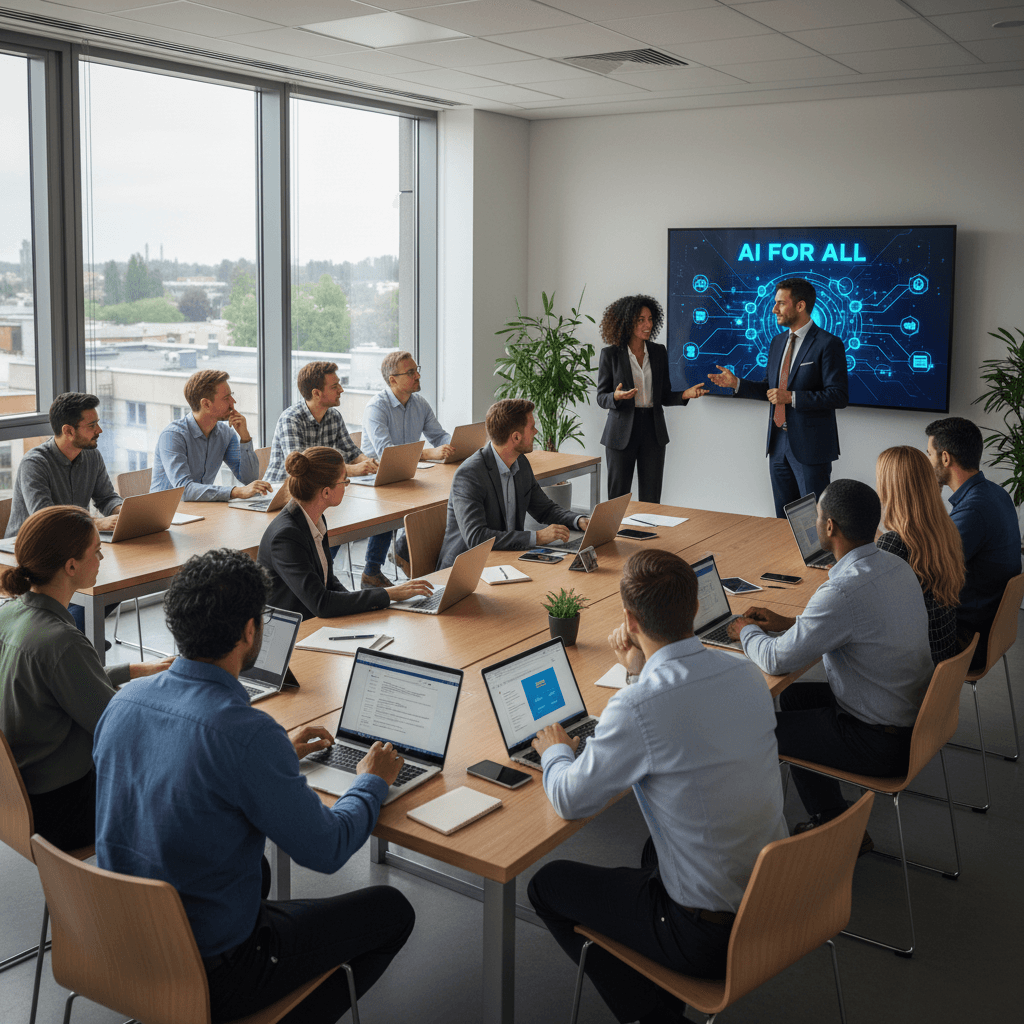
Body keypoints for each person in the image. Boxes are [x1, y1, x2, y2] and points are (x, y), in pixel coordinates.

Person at [92, 549, 415, 1024]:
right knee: (391, 911)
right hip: (212, 970)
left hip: (123, 944)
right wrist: (371, 780)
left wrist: (275, 753)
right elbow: (326, 851)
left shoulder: (124, 701)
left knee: (259, 874)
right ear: (249, 631)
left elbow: (190, 773)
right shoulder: (245, 733)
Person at [528, 549, 786, 1024]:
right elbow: (685, 719)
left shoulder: (637, 706)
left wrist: (554, 751)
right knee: (652, 851)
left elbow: (569, 799)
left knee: (547, 885)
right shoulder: (748, 673)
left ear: (629, 619)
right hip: (775, 899)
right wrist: (639, 671)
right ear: (694, 607)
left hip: (707, 937)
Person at [728, 479, 933, 841]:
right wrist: (791, 624)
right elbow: (859, 625)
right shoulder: (895, 565)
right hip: (911, 721)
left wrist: (746, 630)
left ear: (829, 527)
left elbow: (776, 660)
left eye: (818, 516)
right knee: (791, 699)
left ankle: (834, 835)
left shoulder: (841, 591)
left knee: (758, 728)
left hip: (879, 743)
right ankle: (831, 816)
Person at [0, 506, 168, 851]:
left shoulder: (10, 614)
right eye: (96, 550)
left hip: (15, 798)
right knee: (182, 791)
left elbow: (57, 681)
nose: (102, 556)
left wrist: (137, 670)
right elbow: (120, 730)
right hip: (64, 809)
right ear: (71, 566)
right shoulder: (62, 641)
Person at [708, 278, 848, 518]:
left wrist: (791, 397)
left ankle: (820, 559)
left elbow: (838, 395)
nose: (774, 309)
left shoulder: (828, 344)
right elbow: (769, 390)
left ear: (801, 306)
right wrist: (737, 383)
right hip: (777, 444)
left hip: (810, 448)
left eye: (781, 303)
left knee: (815, 522)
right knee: (782, 520)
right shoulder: (777, 342)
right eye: (775, 303)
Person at [257, 447, 433, 619]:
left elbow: (328, 581)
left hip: (312, 620)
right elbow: (321, 603)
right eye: (344, 481)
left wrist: (361, 605)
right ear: (326, 492)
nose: (347, 485)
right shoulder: (286, 537)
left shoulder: (315, 519)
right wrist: (390, 594)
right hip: (292, 633)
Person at [436, 399, 590, 571]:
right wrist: (536, 537)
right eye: (532, 427)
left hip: (507, 559)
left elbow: (544, 509)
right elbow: (477, 538)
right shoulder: (469, 475)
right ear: (516, 437)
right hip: (466, 569)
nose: (536, 431)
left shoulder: (520, 462)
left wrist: (578, 520)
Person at [925, 416, 1021, 671]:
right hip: (992, 628)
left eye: (929, 454)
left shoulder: (973, 511)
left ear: (945, 458)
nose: (928, 462)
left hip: (969, 638)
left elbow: (929, 570)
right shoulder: (995, 493)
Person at [596, 295, 707, 503]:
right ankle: (615, 535)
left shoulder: (658, 352)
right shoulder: (610, 354)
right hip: (621, 433)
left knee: (651, 497)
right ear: (627, 321)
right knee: (617, 497)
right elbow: (601, 397)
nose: (648, 325)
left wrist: (686, 394)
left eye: (650, 319)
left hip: (652, 431)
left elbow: (664, 394)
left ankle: (649, 535)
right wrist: (616, 397)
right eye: (641, 320)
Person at [359, 350, 453, 587]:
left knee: (444, 497)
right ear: (393, 379)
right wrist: (428, 453)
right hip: (375, 479)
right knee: (394, 504)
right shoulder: (376, 408)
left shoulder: (419, 403)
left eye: (416, 369)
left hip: (409, 475)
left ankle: (414, 557)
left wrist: (455, 446)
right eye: (411, 372)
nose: (418, 375)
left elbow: (439, 435)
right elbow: (387, 454)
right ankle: (373, 570)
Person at [875, 445, 965, 664]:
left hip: (914, 667)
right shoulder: (944, 529)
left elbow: (865, 602)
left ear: (890, 487)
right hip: (943, 652)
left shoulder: (895, 544)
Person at [5, 391, 122, 539]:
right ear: (68, 431)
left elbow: (106, 498)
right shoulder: (34, 463)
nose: (99, 430)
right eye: (92, 425)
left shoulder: (92, 455)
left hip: (70, 541)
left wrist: (123, 512)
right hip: (29, 548)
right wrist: (98, 524)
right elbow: (46, 520)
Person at [151, 369, 270, 501]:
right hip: (168, 516)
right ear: (206, 404)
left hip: (200, 510)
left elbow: (250, 479)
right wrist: (235, 491)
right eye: (226, 398)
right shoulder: (173, 436)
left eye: (231, 395)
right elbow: (184, 490)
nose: (233, 402)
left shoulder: (226, 434)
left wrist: (245, 438)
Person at [264, 360, 378, 484]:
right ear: (316, 393)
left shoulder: (334, 416)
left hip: (318, 489)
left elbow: (352, 452)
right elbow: (301, 467)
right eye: (334, 386)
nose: (341, 390)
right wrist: (351, 470)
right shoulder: (291, 419)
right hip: (280, 491)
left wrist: (370, 464)